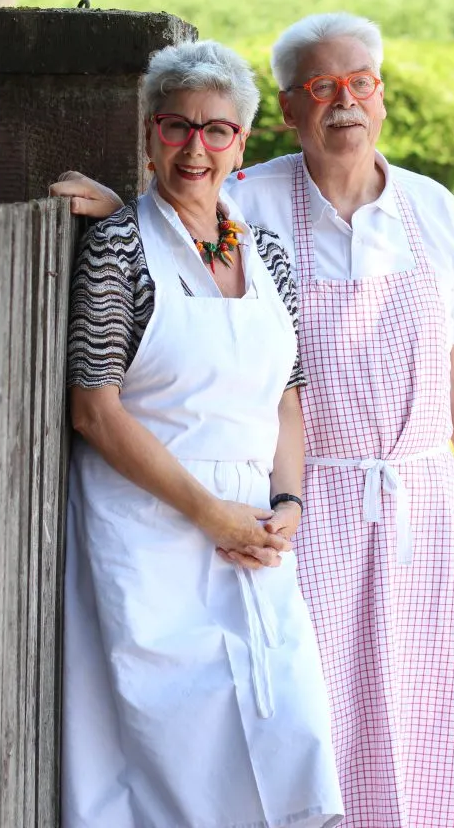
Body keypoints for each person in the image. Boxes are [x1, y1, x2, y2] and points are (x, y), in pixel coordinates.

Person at [53, 13, 454, 828]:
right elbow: (177, 223)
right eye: (320, 88)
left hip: (388, 507)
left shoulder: (422, 214)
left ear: (381, 95)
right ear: (290, 113)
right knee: (297, 723)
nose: (344, 102)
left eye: (359, 82)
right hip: (289, 512)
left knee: (422, 705)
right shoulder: (254, 201)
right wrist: (121, 205)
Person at [62, 40, 344, 828]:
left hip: (253, 535)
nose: (196, 148)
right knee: (175, 768)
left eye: (217, 131)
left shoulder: (270, 256)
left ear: (242, 143)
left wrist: (286, 499)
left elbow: (287, 395)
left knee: (291, 733)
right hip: (149, 534)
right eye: (177, 127)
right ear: (150, 136)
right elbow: (96, 411)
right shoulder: (119, 248)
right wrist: (204, 511)